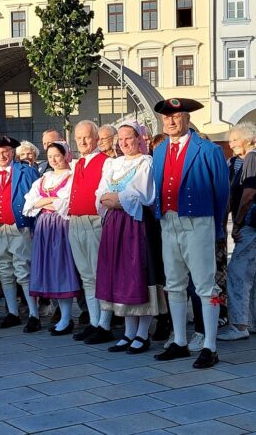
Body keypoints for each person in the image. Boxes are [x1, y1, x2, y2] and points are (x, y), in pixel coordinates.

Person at [149, 98, 229, 369]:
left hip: (198, 221)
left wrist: (216, 227)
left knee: (206, 285)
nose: (170, 121)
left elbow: (222, 192)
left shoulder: (208, 149)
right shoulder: (160, 150)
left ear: (187, 118)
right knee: (174, 284)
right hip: (168, 221)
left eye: (176, 116)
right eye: (166, 117)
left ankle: (210, 346)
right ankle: (180, 341)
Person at [94, 121, 164, 354]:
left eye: (129, 138)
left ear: (139, 140)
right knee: (121, 275)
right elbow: (101, 193)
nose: (124, 143)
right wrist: (113, 198)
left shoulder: (146, 162)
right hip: (115, 224)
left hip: (136, 224)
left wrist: (114, 199)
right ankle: (128, 332)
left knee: (138, 274)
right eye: (120, 139)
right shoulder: (113, 164)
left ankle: (142, 333)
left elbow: (141, 195)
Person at [217, 122, 256, 342]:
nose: (231, 144)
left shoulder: (251, 157)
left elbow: (248, 193)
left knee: (237, 273)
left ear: (247, 139)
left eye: (234, 140)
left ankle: (239, 325)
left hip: (251, 222)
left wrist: (238, 222)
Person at [0, 136, 41, 331]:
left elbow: (38, 199)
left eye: (5, 152)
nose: (1, 156)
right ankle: (13, 313)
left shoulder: (26, 171)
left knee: (23, 270)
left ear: (12, 152)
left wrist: (33, 227)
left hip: (20, 227)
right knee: (4, 271)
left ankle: (34, 314)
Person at [23, 142, 79, 335]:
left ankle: (66, 317)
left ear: (66, 155)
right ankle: (61, 316)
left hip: (61, 226)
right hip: (44, 227)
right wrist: (50, 201)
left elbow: (66, 203)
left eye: (57, 155)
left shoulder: (71, 177)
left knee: (61, 268)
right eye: (50, 156)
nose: (53, 160)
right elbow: (30, 202)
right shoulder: (44, 178)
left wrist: (43, 202)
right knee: (49, 268)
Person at [65, 121, 114, 344]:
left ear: (96, 138)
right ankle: (94, 322)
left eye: (86, 137)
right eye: (79, 138)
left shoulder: (106, 162)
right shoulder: (79, 163)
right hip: (76, 221)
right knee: (86, 275)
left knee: (99, 274)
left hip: (94, 221)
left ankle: (105, 324)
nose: (83, 142)